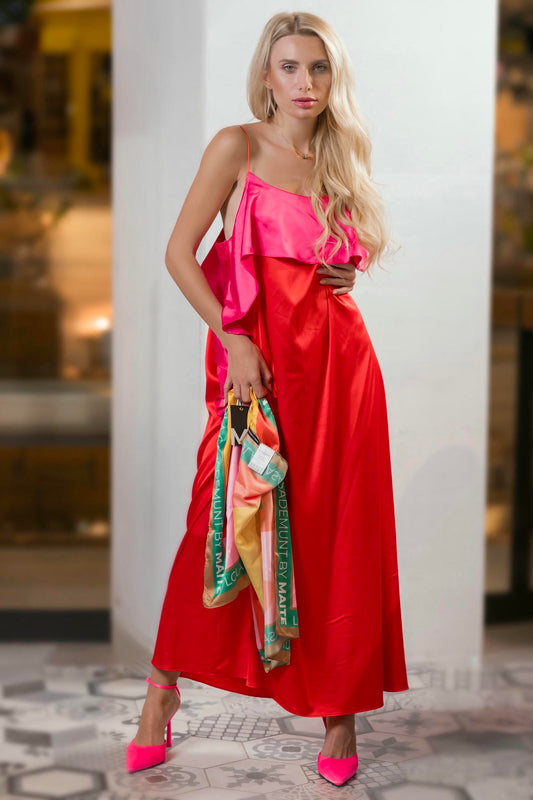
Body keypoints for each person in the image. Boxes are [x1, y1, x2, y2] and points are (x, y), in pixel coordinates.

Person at [125, 10, 409, 787]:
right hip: (254, 372)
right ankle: (160, 695)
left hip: (341, 374)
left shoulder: (340, 154)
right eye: (289, 67)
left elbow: (336, 261)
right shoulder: (236, 146)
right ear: (265, 75)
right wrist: (233, 337)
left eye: (317, 68)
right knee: (218, 524)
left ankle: (340, 715)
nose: (304, 83)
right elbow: (180, 254)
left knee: (334, 537)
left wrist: (344, 270)